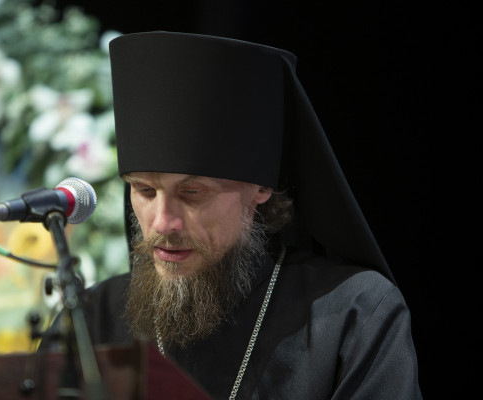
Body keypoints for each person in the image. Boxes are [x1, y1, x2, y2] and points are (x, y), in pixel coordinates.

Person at [65, 31, 422, 399]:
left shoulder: (354, 313)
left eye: (192, 193)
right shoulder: (91, 316)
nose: (161, 222)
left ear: (261, 188)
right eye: (144, 190)